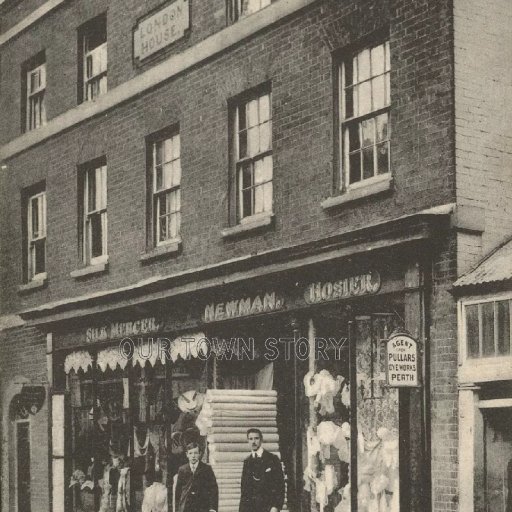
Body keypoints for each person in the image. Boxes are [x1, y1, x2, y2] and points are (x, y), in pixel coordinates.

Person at [239, 428, 285, 512]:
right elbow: (244, 490)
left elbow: (280, 485)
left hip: (269, 508)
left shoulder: (272, 459)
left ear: (261, 440)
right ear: (247, 441)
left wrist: (276, 506)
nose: (253, 441)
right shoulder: (247, 462)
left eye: (256, 438)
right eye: (251, 439)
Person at [175, 442, 218, 512]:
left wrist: (212, 508)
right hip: (186, 507)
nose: (193, 456)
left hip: (202, 507)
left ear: (199, 454)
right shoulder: (182, 470)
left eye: (196, 453)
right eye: (190, 453)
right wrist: (177, 509)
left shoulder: (206, 469)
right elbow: (178, 492)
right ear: (187, 455)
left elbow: (213, 490)